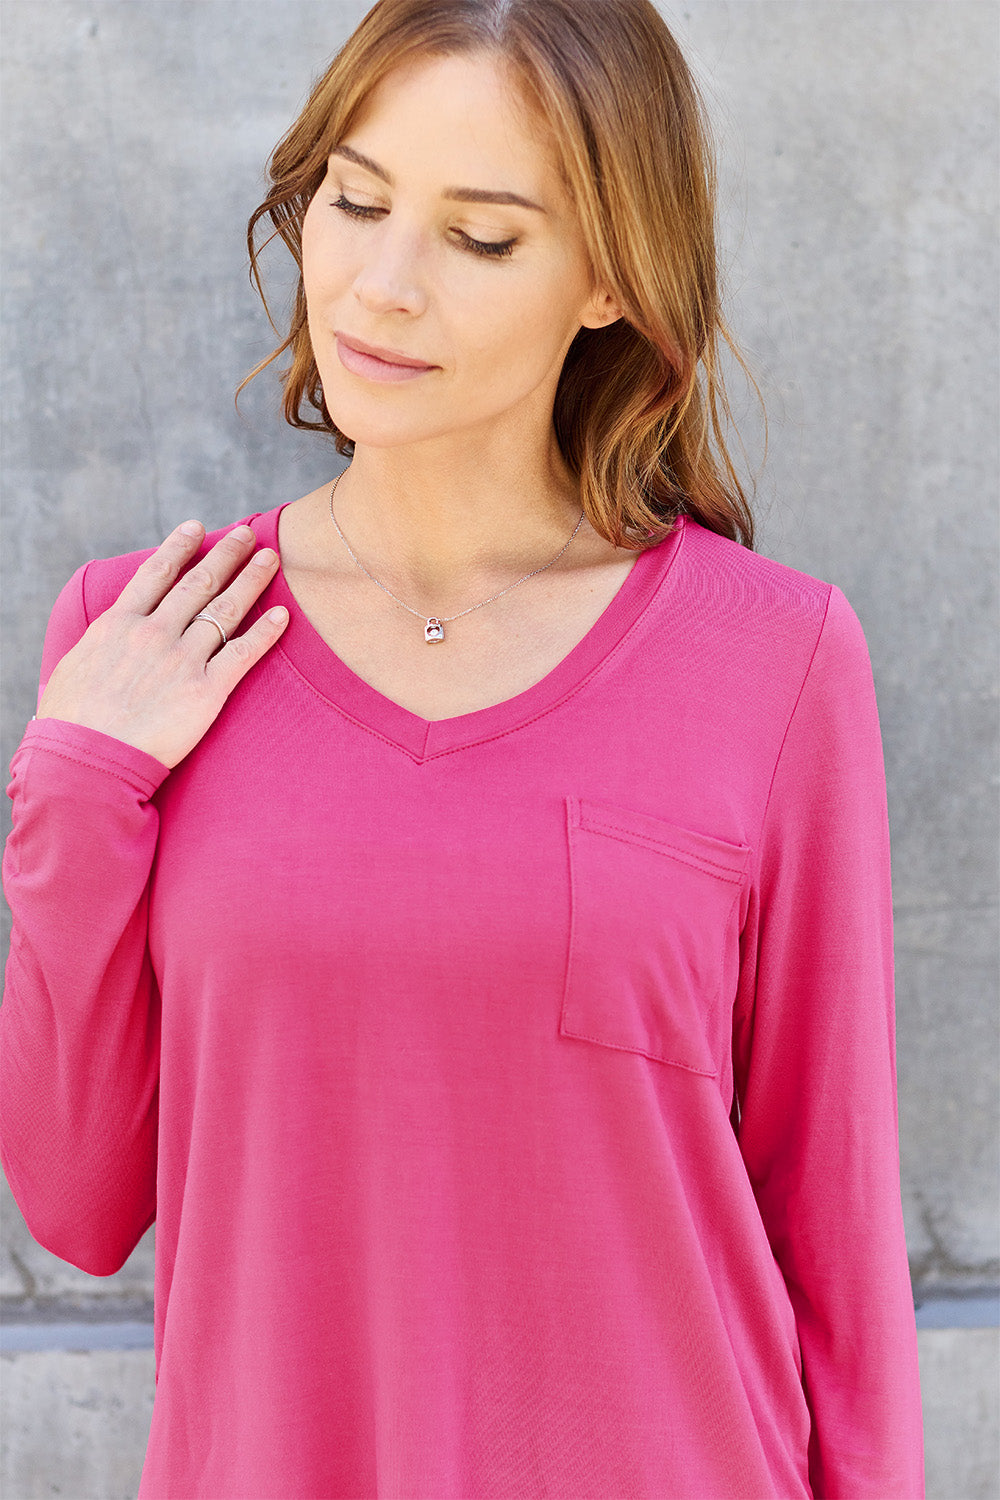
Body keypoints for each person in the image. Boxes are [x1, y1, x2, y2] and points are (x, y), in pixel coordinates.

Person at [0, 1, 925, 1496]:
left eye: (478, 238)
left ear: (612, 280)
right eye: (353, 201)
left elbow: (835, 1239)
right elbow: (78, 1203)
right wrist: (76, 788)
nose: (380, 284)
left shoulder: (776, 659)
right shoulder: (142, 640)